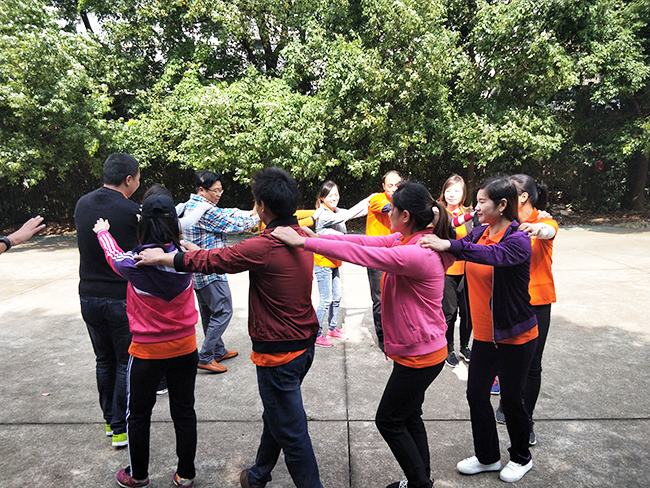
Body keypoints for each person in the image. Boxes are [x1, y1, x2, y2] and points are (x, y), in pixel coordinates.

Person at [136, 167, 322, 488]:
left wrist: (162, 259)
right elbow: (215, 256)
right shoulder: (302, 237)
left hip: (279, 354)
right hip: (304, 346)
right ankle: (258, 475)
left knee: (292, 433)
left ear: (262, 206)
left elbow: (216, 261)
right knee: (277, 414)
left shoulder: (265, 245)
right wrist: (194, 251)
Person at [273, 182, 454, 488]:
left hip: (421, 356)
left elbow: (361, 255)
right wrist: (319, 238)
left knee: (389, 420)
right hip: (421, 350)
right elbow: (366, 242)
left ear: (405, 216)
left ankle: (419, 484)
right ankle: (421, 478)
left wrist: (304, 244)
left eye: (392, 209)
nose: (388, 214)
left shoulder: (417, 253)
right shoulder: (408, 239)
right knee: (409, 416)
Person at [419, 177, 538, 483]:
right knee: (476, 395)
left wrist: (451, 245)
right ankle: (488, 457)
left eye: (483, 201)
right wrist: (438, 226)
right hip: (485, 336)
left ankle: (521, 457)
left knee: (511, 399)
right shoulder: (480, 232)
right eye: (477, 201)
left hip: (514, 334)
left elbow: (491, 256)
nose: (478, 207)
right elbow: (462, 243)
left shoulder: (518, 239)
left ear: (502, 205)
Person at [93, 193, 199, 488]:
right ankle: (185, 475)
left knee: (138, 415)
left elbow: (113, 255)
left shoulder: (133, 263)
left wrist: (103, 232)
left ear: (143, 225)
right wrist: (185, 244)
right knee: (184, 411)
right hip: (185, 348)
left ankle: (138, 476)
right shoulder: (186, 259)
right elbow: (200, 255)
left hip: (147, 353)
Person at [74, 153, 141, 447]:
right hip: (120, 298)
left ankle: (109, 420)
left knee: (104, 360)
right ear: (128, 179)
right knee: (125, 362)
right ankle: (120, 427)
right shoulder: (132, 211)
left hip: (88, 295)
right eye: (137, 179)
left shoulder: (82, 204)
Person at [494, 175, 558, 447]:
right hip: (507, 300)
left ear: (523, 197)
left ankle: (526, 420)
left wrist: (534, 228)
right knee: (505, 358)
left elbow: (548, 231)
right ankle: (508, 402)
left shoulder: (544, 220)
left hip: (537, 301)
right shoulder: (503, 221)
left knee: (533, 364)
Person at [183, 170, 259, 374]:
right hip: (211, 269)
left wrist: (247, 212)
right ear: (202, 190)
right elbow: (232, 224)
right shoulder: (205, 211)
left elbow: (227, 212)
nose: (219, 194)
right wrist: (258, 217)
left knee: (209, 312)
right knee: (224, 310)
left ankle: (218, 350)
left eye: (220, 190)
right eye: (215, 191)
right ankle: (206, 356)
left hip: (197, 269)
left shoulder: (194, 205)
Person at [312, 180, 373, 347]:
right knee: (326, 300)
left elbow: (357, 212)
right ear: (322, 197)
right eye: (330, 195)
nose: (334, 198)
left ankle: (332, 329)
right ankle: (316, 334)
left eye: (336, 194)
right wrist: (367, 199)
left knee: (337, 297)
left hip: (334, 261)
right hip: (323, 262)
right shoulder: (324, 214)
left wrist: (374, 202)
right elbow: (348, 215)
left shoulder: (336, 210)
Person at [439, 175, 473, 367]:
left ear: (463, 194)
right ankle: (448, 348)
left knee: (468, 313)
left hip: (468, 272)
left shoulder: (471, 215)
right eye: (448, 190)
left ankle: (464, 347)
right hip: (447, 272)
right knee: (449, 313)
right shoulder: (438, 213)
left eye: (456, 191)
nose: (452, 194)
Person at [365, 170, 402, 351]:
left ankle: (395, 333)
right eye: (390, 185)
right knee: (380, 298)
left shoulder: (401, 201)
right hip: (377, 257)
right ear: (383, 186)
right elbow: (388, 208)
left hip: (396, 255)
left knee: (397, 297)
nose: (393, 189)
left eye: (397, 185)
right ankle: (383, 338)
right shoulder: (376, 199)